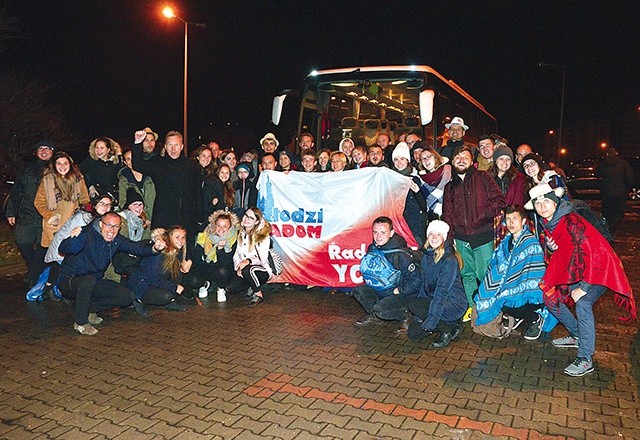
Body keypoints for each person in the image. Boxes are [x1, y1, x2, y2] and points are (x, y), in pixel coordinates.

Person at [526, 184, 636, 376]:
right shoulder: (551, 222)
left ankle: (585, 358)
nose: (543, 206)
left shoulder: (572, 222)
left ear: (556, 202)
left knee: (583, 303)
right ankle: (577, 334)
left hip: (599, 270)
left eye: (547, 201)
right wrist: (553, 248)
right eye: (538, 203)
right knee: (550, 299)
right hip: (579, 270)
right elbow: (569, 251)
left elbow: (593, 252)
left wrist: (584, 287)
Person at [57, 212, 166, 335]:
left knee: (126, 296)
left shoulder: (116, 240)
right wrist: (74, 238)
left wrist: (154, 248)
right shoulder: (85, 233)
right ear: (100, 224)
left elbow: (135, 247)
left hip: (93, 281)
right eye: (108, 225)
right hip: (70, 281)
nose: (112, 230)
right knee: (88, 281)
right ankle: (81, 323)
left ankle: (89, 309)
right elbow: (63, 249)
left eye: (116, 227)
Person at [442, 146, 506, 320]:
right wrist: (450, 238)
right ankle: (473, 307)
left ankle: (491, 308)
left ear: (472, 161)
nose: (461, 159)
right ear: (453, 161)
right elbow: (447, 213)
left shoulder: (483, 177)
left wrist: (482, 216)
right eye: (458, 157)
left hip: (482, 235)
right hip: (461, 238)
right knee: (467, 274)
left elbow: (499, 200)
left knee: (485, 274)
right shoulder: (449, 187)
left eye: (465, 157)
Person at [475, 205, 549, 340]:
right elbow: (498, 265)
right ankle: (517, 314)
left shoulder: (530, 243)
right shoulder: (506, 241)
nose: (511, 223)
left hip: (529, 290)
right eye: (508, 219)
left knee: (502, 300)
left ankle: (535, 318)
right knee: (482, 292)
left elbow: (535, 271)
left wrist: (512, 286)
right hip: (509, 284)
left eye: (515, 219)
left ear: (523, 221)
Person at [132, 130, 202, 247]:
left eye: (176, 145)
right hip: (164, 217)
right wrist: (137, 143)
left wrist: (200, 217)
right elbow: (138, 165)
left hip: (187, 218)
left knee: (185, 255)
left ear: (182, 147)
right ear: (165, 146)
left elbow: (198, 192)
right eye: (170, 145)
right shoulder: (158, 164)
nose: (173, 149)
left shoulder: (192, 166)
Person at [406, 220, 467, 348]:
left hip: (452, 303)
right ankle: (452, 325)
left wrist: (431, 321)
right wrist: (419, 318)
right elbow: (424, 286)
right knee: (413, 334)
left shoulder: (449, 260)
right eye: (431, 234)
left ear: (444, 238)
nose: (434, 238)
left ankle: (446, 330)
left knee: (414, 305)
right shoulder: (427, 256)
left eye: (438, 234)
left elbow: (442, 292)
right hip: (434, 300)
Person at [353, 216, 422, 327]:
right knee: (359, 291)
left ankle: (405, 314)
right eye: (375, 232)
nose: (378, 236)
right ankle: (376, 316)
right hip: (381, 289)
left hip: (398, 293)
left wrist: (400, 290)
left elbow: (417, 280)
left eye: (383, 232)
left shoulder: (401, 254)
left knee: (380, 309)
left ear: (391, 233)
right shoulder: (373, 248)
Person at [44, 194, 113, 298]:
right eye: (102, 204)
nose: (105, 207)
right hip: (63, 246)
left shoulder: (102, 218)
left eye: (108, 204)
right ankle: (50, 289)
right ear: (95, 205)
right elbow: (78, 238)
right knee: (60, 266)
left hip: (72, 248)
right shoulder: (84, 218)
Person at [5, 141, 55, 286]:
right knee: (22, 242)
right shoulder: (27, 169)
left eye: (47, 148)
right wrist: (11, 212)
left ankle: (33, 276)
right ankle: (36, 269)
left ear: (52, 151)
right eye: (41, 148)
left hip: (47, 216)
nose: (44, 151)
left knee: (43, 247)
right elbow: (16, 192)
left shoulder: (57, 167)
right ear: (36, 151)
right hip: (27, 214)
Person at [127, 226, 191, 314]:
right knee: (166, 296)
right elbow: (153, 278)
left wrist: (188, 260)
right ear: (169, 237)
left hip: (154, 281)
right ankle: (137, 298)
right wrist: (174, 287)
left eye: (183, 237)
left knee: (178, 270)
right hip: (142, 284)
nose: (181, 240)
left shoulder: (175, 251)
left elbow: (187, 255)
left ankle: (171, 302)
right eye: (177, 237)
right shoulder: (160, 253)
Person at [34, 151, 90, 250]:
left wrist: (86, 214)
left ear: (70, 164)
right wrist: (50, 217)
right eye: (59, 163)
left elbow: (84, 199)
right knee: (55, 255)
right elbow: (39, 202)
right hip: (55, 224)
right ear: (54, 165)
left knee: (72, 253)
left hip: (73, 223)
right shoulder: (48, 180)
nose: (62, 166)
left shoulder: (78, 178)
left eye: (65, 163)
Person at [188, 210, 240, 302]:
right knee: (193, 280)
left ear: (230, 227)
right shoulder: (205, 235)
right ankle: (205, 285)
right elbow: (197, 256)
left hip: (222, 269)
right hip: (206, 267)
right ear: (214, 225)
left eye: (225, 226)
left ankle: (221, 289)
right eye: (219, 225)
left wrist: (220, 249)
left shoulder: (232, 239)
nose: (221, 229)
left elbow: (225, 263)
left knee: (222, 271)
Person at [227, 207, 274, 306]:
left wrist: (247, 261)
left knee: (248, 270)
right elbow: (236, 254)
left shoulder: (263, 235)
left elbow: (263, 258)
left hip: (262, 269)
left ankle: (258, 294)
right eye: (246, 215)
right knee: (232, 288)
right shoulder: (240, 233)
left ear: (256, 222)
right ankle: (251, 286)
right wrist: (238, 267)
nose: (247, 219)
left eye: (251, 218)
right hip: (244, 268)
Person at [391, 142, 428, 247]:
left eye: (402, 159)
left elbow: (424, 206)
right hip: (396, 225)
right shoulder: (389, 179)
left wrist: (417, 192)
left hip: (414, 227)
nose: (399, 162)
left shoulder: (415, 179)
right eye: (396, 159)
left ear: (407, 161)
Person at [595, 148, 634, 235]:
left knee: (607, 212)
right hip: (620, 192)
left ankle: (607, 228)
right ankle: (611, 229)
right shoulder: (623, 163)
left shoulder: (603, 163)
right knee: (618, 212)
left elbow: (597, 173)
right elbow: (629, 177)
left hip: (606, 192)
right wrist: (628, 188)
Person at [118, 149, 155, 226]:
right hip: (135, 220)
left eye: (133, 158)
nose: (132, 161)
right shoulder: (124, 180)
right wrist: (140, 216)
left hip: (154, 217)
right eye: (128, 159)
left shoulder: (151, 175)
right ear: (125, 162)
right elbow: (123, 202)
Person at [79, 137, 122, 201]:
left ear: (108, 150)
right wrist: (90, 186)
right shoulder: (91, 160)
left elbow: (122, 175)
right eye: (97, 147)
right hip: (96, 194)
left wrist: (119, 156)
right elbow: (79, 172)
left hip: (113, 195)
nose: (98, 151)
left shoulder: (116, 162)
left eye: (102, 148)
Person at [418, 147, 451, 220]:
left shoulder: (449, 173)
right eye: (423, 159)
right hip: (432, 219)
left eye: (429, 156)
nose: (426, 160)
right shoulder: (421, 181)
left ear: (435, 157)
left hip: (451, 216)